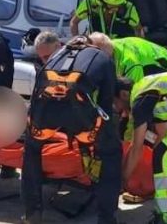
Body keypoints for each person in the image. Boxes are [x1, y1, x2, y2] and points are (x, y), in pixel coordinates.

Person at [22, 37, 124, 224]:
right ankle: (106, 218)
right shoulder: (103, 58)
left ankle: (32, 214)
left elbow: (38, 92)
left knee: (31, 152)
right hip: (78, 114)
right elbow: (105, 103)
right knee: (111, 153)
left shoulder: (57, 55)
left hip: (44, 116)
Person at [119, 71, 167, 224]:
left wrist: (121, 182)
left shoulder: (139, 101)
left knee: (163, 156)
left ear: (123, 95)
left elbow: (137, 147)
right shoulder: (148, 89)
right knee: (164, 154)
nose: (121, 113)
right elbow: (162, 135)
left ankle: (165, 215)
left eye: (115, 103)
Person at [70, 0, 144, 38]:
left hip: (119, 48)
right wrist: (77, 40)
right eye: (112, 5)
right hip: (97, 46)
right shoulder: (90, 4)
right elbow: (74, 22)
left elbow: (138, 29)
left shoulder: (129, 8)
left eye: (119, 5)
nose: (116, 8)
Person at [89, 33, 167, 84]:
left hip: (162, 64)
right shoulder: (110, 44)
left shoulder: (130, 63)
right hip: (152, 54)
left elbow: (135, 91)